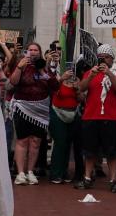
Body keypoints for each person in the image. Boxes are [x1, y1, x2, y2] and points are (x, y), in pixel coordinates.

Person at [75, 44, 116, 193]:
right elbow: (81, 88)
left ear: (111, 58)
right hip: (91, 116)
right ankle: (87, 178)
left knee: (112, 151)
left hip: (111, 117)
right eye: (100, 58)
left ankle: (113, 180)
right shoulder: (90, 72)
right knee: (90, 151)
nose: (103, 60)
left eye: (106, 57)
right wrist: (91, 75)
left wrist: (109, 74)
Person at [7, 42, 58, 185]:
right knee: (22, 140)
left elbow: (55, 86)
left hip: (40, 110)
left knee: (36, 142)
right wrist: (19, 67)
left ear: (40, 53)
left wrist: (43, 71)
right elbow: (12, 83)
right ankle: (21, 172)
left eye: (36, 50)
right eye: (30, 50)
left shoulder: (45, 67)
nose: (33, 52)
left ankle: (30, 171)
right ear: (26, 52)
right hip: (22, 107)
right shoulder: (22, 64)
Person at [47, 65, 80, 184]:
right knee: (60, 142)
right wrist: (61, 79)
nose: (69, 71)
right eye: (67, 68)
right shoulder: (57, 78)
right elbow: (51, 88)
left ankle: (64, 171)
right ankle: (55, 173)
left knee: (67, 143)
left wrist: (77, 89)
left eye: (71, 69)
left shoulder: (76, 80)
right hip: (57, 113)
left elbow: (81, 98)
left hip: (72, 113)